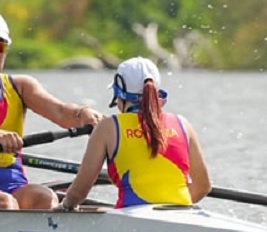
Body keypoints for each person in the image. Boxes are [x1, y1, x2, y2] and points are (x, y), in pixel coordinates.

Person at [0, 9, 103, 210]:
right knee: (3, 203)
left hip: (13, 183)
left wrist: (82, 113)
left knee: (46, 197)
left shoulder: (21, 86)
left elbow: (61, 112)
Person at [57, 57, 212, 211]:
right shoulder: (182, 124)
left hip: (131, 217)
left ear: (119, 95)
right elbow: (203, 187)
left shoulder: (107, 127)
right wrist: (169, 210)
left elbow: (78, 193)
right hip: (182, 213)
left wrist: (64, 207)